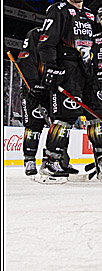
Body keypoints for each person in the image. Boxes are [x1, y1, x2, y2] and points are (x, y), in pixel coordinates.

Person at [36, 0, 102, 182]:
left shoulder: (90, 16)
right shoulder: (58, 10)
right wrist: (51, 67)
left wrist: (97, 71)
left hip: (87, 73)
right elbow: (46, 42)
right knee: (65, 117)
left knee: (96, 114)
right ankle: (51, 161)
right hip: (68, 71)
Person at [16, 26, 48, 176]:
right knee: (33, 127)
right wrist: (33, 84)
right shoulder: (35, 33)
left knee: (58, 126)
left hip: (51, 89)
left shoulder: (63, 34)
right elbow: (25, 59)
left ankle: (55, 160)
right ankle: (29, 160)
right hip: (32, 89)